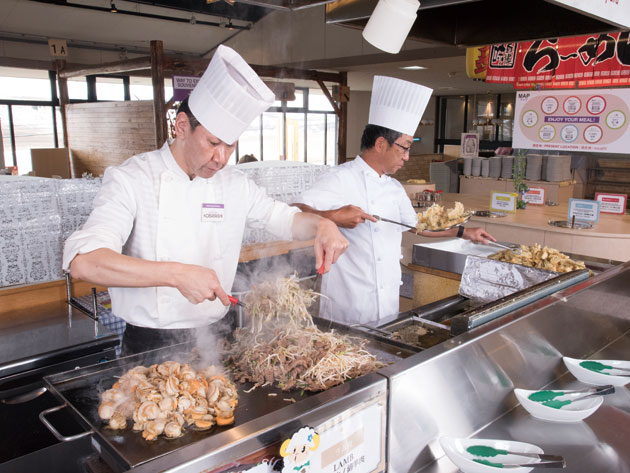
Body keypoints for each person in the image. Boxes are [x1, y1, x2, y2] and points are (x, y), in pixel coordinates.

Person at [63, 45, 348, 355]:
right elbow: (84, 262)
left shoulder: (235, 185)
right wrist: (176, 274)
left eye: (230, 146)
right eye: (213, 143)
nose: (221, 158)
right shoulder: (132, 179)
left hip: (217, 336)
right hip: (151, 344)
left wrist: (323, 225)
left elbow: (286, 219)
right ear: (182, 126)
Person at [294, 76, 495, 325]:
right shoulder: (340, 177)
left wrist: (464, 232)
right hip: (348, 301)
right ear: (380, 144)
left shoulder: (394, 187)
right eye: (405, 148)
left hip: (387, 299)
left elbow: (416, 227)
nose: (408, 157)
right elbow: (296, 209)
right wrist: (334, 217)